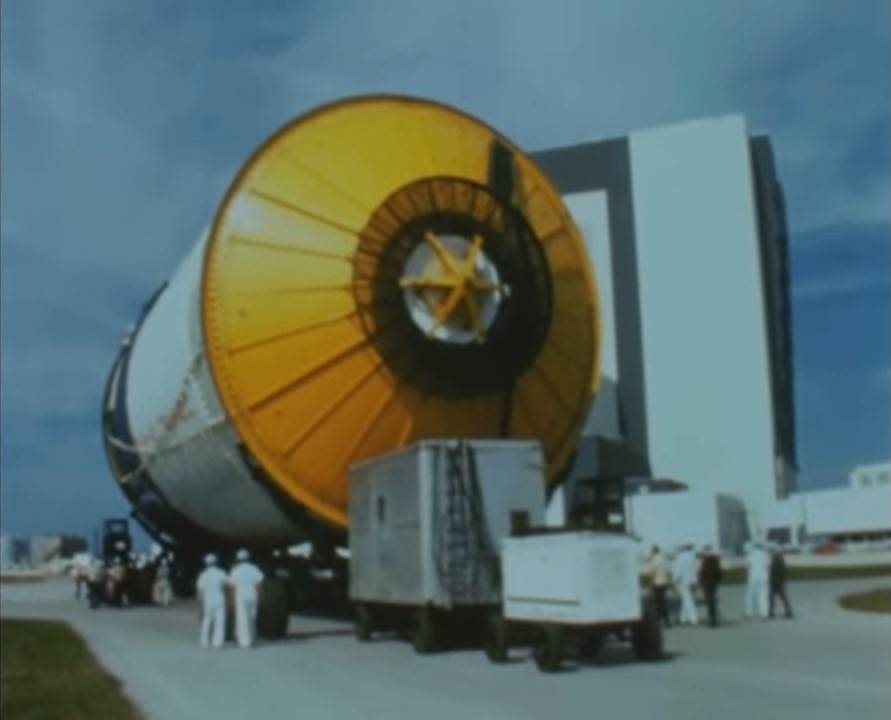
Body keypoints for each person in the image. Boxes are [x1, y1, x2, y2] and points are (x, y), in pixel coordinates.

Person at [228, 548, 265, 649]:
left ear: (238, 560)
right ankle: (252, 638)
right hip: (252, 595)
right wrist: (260, 597)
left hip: (241, 596)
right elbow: (259, 584)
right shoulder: (254, 569)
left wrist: (232, 600)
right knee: (252, 617)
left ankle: (244, 642)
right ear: (248, 558)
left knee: (242, 619)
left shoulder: (235, 570)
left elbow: (232, 587)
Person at [196, 553, 227, 649]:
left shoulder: (203, 575)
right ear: (216, 562)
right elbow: (228, 583)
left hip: (208, 600)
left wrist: (199, 604)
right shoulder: (221, 573)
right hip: (219, 599)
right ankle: (217, 642)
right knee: (219, 621)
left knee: (206, 620)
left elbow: (200, 590)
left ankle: (204, 640)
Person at [672, 544, 699, 626]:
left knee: (688, 601)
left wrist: (674, 581)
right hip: (693, 581)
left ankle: (694, 619)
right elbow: (696, 569)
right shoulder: (693, 556)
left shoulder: (679, 558)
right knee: (687, 600)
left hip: (683, 582)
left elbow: (677, 572)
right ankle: (683, 618)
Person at [646, 546, 671, 627]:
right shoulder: (663, 559)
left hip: (657, 583)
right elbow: (668, 571)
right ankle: (667, 621)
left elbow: (652, 574)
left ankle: (658, 621)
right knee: (664, 602)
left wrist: (650, 585)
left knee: (656, 604)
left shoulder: (654, 560)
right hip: (664, 583)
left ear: (653, 552)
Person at [744, 541, 770, 619]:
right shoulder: (765, 554)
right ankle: (764, 613)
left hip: (752, 576)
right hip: (763, 576)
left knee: (750, 595)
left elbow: (748, 565)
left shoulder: (751, 554)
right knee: (763, 596)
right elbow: (767, 565)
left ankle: (749, 613)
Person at [698, 546, 722, 627]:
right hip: (713, 583)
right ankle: (714, 620)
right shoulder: (715, 560)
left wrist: (701, 582)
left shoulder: (705, 561)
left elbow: (702, 573)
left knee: (709, 602)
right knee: (712, 601)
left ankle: (712, 621)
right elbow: (719, 572)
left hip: (706, 583)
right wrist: (717, 581)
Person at [769, 550, 794, 619]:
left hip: (775, 583)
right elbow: (785, 573)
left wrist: (772, 581)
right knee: (783, 598)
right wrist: (783, 581)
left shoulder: (774, 564)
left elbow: (772, 574)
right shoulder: (781, 564)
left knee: (772, 599)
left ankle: (771, 612)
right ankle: (788, 612)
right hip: (779, 584)